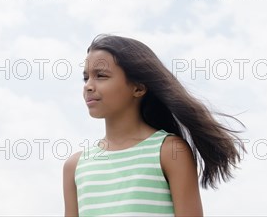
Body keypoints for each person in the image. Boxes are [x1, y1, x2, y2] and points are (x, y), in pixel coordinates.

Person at [63, 34, 247, 216]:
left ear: (138, 88)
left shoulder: (170, 151)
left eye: (101, 75)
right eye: (86, 77)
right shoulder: (75, 166)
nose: (88, 86)